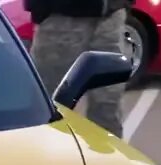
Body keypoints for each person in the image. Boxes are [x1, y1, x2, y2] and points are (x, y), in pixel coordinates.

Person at [27, 0, 130, 137]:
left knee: (107, 107)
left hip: (110, 16)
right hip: (61, 19)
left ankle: (104, 156)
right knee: (49, 106)